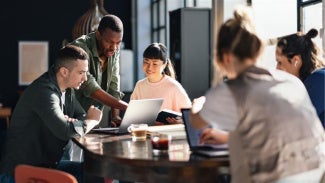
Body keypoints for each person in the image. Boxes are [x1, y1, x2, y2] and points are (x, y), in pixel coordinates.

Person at [190, 6, 325, 183]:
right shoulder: (291, 81)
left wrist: (199, 103)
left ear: (226, 57)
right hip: (315, 172)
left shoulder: (232, 88)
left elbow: (196, 122)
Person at [0, 45, 102, 183]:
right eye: (81, 72)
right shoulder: (44, 92)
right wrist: (93, 121)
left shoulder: (68, 90)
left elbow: (81, 116)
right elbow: (66, 131)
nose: (85, 78)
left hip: (47, 165)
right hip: (21, 174)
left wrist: (73, 122)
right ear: (64, 72)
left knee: (94, 173)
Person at [69, 14, 128, 127]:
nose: (114, 47)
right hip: (69, 117)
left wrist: (115, 116)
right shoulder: (80, 48)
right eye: (109, 42)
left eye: (118, 42)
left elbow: (113, 86)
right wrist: (128, 108)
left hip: (91, 121)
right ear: (98, 34)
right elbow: (90, 87)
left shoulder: (113, 51)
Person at [130, 43, 192, 124]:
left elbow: (190, 116)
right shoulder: (139, 85)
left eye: (155, 64)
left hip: (167, 134)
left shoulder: (173, 87)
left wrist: (180, 122)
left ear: (164, 65)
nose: (149, 67)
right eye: (146, 62)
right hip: (145, 134)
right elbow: (131, 116)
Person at [275, 28, 325, 126]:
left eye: (280, 62)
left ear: (296, 61)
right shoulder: (313, 81)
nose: (277, 68)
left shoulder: (319, 81)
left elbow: (291, 124)